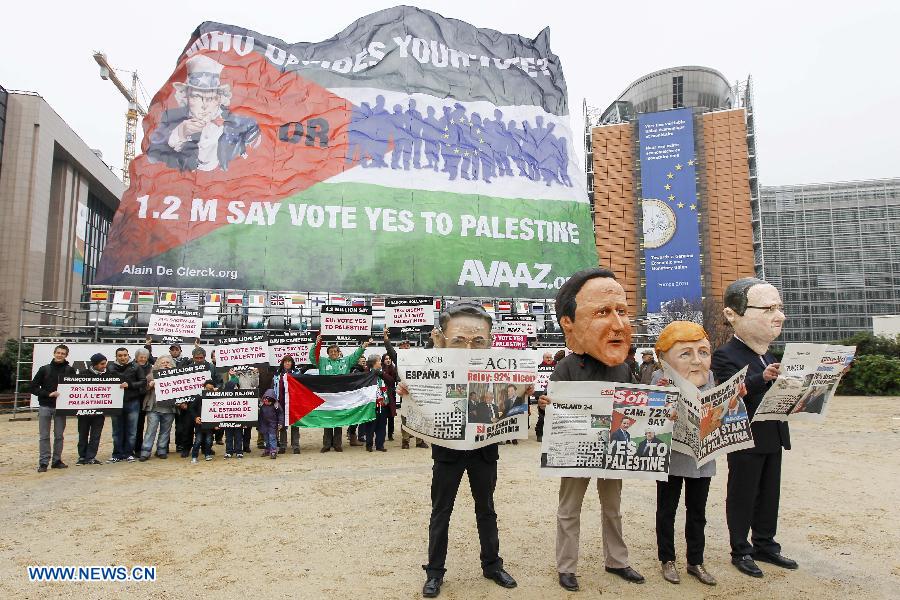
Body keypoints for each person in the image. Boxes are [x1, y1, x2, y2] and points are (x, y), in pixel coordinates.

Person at [401, 301, 518, 598]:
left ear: (490, 342)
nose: (469, 350)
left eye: (478, 341)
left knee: (486, 509)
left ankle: (492, 565)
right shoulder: (425, 368)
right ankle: (435, 572)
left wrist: (522, 393)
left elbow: (509, 406)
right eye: (459, 341)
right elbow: (417, 401)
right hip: (447, 452)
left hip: (483, 451)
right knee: (441, 512)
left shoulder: (501, 370)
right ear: (441, 339)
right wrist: (408, 393)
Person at [537, 268, 644, 592]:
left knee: (613, 509)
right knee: (569, 510)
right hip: (576, 451)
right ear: (570, 324)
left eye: (621, 312)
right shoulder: (566, 366)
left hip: (612, 450)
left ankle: (617, 561)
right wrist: (547, 404)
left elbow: (637, 407)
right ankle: (566, 567)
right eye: (602, 312)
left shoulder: (623, 367)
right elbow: (553, 404)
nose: (617, 324)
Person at [711, 277, 796, 578]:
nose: (779, 316)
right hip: (745, 437)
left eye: (779, 307)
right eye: (769, 308)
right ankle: (740, 549)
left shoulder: (768, 354)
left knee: (769, 493)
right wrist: (763, 378)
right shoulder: (725, 355)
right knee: (743, 493)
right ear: (733, 315)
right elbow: (727, 394)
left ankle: (765, 544)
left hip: (773, 432)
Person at [650, 321, 726, 585]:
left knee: (697, 512)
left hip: (701, 458)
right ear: (663, 359)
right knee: (666, 510)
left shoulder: (712, 378)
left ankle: (695, 561)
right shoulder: (657, 380)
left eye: (703, 352)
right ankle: (667, 560)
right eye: (686, 354)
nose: (697, 361)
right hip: (670, 458)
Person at [147, 54, 260, 172]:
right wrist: (178, 134)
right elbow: (152, 157)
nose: (204, 105)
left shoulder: (238, 123)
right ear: (187, 97)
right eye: (197, 96)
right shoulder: (171, 118)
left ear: (219, 99)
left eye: (210, 98)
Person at [310, 335, 372, 452]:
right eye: (331, 351)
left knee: (339, 418)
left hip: (341, 396)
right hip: (327, 396)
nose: (333, 353)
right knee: (327, 419)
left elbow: (356, 355)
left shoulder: (346, 361)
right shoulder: (322, 361)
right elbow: (312, 357)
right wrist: (316, 343)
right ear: (328, 353)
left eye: (335, 351)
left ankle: (338, 444)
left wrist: (363, 346)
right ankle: (327, 444)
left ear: (339, 353)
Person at [31, 344, 76, 472]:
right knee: (44, 436)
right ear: (54, 353)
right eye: (58, 352)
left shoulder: (70, 370)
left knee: (59, 436)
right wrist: (48, 394)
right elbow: (33, 387)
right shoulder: (44, 369)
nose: (60, 355)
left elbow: (74, 388)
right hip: (45, 406)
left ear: (66, 355)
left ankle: (57, 460)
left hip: (61, 408)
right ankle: (44, 462)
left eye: (63, 353)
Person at [75, 353, 123, 465]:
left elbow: (118, 385)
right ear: (95, 364)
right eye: (102, 364)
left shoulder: (110, 374)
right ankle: (82, 456)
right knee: (83, 434)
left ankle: (91, 456)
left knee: (96, 435)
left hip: (100, 411)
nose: (104, 366)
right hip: (84, 411)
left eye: (105, 363)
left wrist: (122, 384)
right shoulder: (83, 374)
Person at [384, 331, 428, 450]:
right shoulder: (398, 358)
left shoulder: (417, 358)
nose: (406, 347)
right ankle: (405, 440)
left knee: (420, 415)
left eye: (408, 345)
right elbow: (390, 350)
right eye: (404, 346)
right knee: (405, 416)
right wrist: (386, 338)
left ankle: (420, 440)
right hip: (405, 392)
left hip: (418, 391)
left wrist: (432, 338)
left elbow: (428, 348)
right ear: (400, 348)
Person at [139, 355, 175, 461]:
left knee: (165, 431)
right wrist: (150, 385)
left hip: (169, 408)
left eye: (168, 362)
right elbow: (143, 389)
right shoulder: (151, 375)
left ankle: (161, 450)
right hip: (154, 407)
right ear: (158, 364)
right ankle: (145, 451)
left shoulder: (177, 377)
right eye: (163, 362)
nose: (165, 364)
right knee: (151, 430)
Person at [360, 354, 389, 452]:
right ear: (373, 363)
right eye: (379, 360)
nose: (380, 362)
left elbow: (391, 380)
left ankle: (380, 445)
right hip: (372, 404)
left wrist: (382, 374)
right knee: (370, 425)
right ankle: (369, 445)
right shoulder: (367, 374)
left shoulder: (383, 372)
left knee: (382, 425)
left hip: (383, 402)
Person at [273, 355, 302, 454]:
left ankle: (296, 446)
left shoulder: (297, 373)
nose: (287, 363)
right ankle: (283, 446)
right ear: (283, 363)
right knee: (282, 425)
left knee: (295, 425)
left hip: (293, 402)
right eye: (285, 361)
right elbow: (274, 388)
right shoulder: (277, 374)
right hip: (281, 402)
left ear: (292, 363)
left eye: (289, 361)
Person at [190, 380, 217, 464]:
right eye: (207, 388)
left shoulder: (216, 397)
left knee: (209, 440)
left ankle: (207, 454)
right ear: (204, 387)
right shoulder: (199, 397)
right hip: (200, 424)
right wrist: (195, 418)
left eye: (211, 389)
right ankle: (194, 456)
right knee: (198, 440)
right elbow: (191, 408)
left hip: (210, 424)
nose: (208, 390)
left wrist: (217, 423)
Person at [258, 389, 282, 459]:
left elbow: (280, 414)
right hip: (264, 424)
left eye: (268, 402)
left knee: (272, 437)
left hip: (273, 424)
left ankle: (273, 451)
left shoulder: (276, 405)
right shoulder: (261, 404)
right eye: (265, 401)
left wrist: (280, 423)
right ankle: (268, 449)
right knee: (266, 438)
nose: (267, 403)